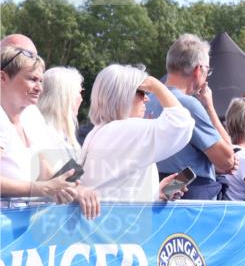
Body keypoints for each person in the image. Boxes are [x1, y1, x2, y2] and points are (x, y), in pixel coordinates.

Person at [0, 42, 99, 218]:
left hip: (21, 226)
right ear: (3, 78)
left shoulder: (31, 113)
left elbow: (45, 169)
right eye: (31, 79)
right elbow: (44, 184)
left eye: (41, 80)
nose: (39, 87)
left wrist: (75, 189)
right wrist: (40, 188)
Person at [79, 65, 194, 202]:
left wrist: (154, 193)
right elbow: (181, 123)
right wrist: (156, 86)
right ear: (124, 95)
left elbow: (112, 188)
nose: (147, 99)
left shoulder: (96, 132)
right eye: (142, 92)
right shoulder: (126, 129)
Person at [148, 34, 237, 199]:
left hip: (156, 191)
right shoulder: (187, 104)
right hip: (190, 197)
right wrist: (209, 107)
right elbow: (227, 161)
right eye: (207, 70)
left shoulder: (146, 100)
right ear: (198, 70)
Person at [37, 66, 84, 160]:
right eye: (80, 92)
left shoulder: (39, 128)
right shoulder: (47, 137)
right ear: (65, 98)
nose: (81, 99)